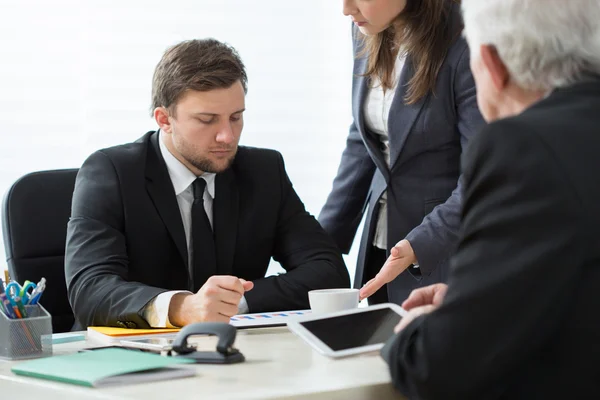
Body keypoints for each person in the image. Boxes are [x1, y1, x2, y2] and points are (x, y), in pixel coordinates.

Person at [381, 0, 600, 398]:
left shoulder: (523, 147)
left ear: (492, 66)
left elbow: (437, 368)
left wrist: (415, 331)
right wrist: (478, 297)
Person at [65, 39, 350, 330]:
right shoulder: (112, 172)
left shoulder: (263, 172)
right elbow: (90, 290)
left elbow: (328, 272)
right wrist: (182, 308)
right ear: (165, 119)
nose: (227, 136)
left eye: (236, 118)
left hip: (234, 354)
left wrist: (229, 304)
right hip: (125, 356)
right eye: (207, 120)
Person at [319, 0, 485, 305]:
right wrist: (319, 245)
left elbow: (483, 177)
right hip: (379, 249)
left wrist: (419, 244)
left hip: (442, 254)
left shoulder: (468, 39)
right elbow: (365, 138)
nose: (346, 9)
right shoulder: (366, 28)